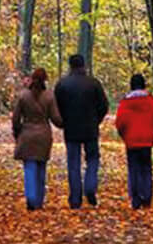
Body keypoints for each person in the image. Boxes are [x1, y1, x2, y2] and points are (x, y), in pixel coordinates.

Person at [53, 53, 110, 208]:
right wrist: (96, 120)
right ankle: (90, 187)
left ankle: (75, 199)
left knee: (73, 163)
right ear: (83, 65)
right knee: (92, 159)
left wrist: (63, 122)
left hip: (71, 129)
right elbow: (104, 106)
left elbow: (55, 107)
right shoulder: (94, 84)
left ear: (70, 66)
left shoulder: (62, 85)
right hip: (90, 129)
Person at [11, 67, 63, 210]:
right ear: (45, 80)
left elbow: (15, 119)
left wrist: (17, 133)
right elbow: (56, 119)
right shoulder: (49, 96)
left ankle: (31, 199)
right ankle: (39, 201)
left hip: (27, 135)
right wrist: (68, 123)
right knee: (41, 168)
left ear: (32, 79)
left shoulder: (23, 96)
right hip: (43, 136)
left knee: (29, 168)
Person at [113, 72, 153, 210]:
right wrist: (152, 133)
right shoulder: (151, 101)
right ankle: (147, 197)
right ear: (144, 85)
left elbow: (120, 123)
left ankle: (135, 199)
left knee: (133, 169)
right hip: (146, 140)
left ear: (131, 86)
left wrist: (124, 136)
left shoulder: (125, 102)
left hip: (131, 140)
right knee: (146, 168)